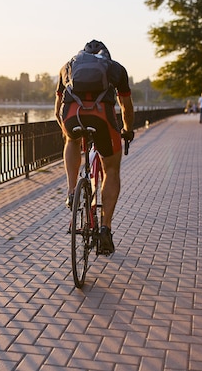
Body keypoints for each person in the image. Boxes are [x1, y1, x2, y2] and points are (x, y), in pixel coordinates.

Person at [55, 40, 134, 256]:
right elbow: (126, 107)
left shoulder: (67, 66)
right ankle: (105, 229)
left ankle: (72, 191)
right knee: (111, 170)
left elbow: (57, 110)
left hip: (72, 117)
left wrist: (68, 131)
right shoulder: (116, 69)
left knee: (70, 140)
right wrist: (127, 130)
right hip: (102, 119)